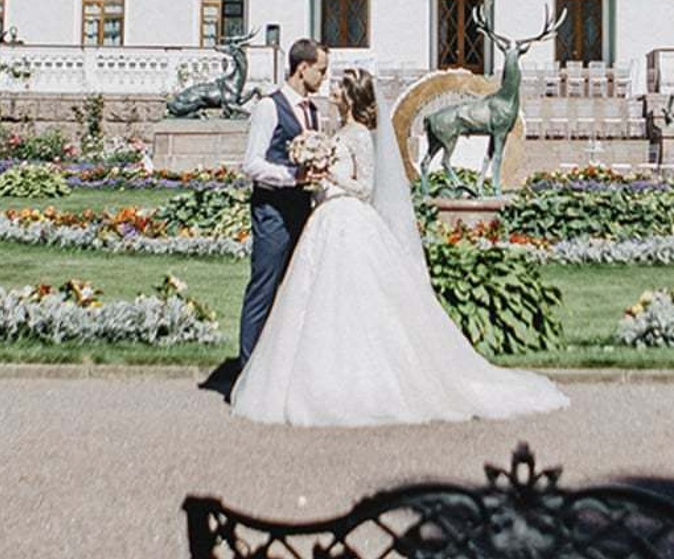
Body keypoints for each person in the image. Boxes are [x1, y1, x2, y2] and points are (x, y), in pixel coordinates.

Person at [230, 67, 568, 428]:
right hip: (326, 219)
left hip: (349, 221)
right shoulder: (338, 131)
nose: (332, 88)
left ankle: (362, 383)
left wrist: (330, 173)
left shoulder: (359, 135)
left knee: (354, 305)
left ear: (352, 97)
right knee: (317, 303)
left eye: (340, 86)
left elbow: (365, 187)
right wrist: (313, 176)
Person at [234, 38, 327, 368]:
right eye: (321, 70)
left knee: (294, 289)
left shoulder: (312, 111)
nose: (324, 77)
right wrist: (293, 176)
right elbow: (252, 164)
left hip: (301, 209)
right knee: (265, 285)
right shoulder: (269, 107)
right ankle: (247, 370)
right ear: (303, 69)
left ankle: (279, 367)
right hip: (272, 210)